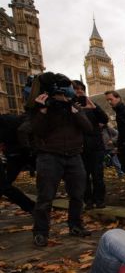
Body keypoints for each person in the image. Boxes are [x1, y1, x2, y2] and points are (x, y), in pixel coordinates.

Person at [28, 73, 93, 246]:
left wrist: (75, 112)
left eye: (63, 94)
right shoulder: (41, 108)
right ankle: (41, 232)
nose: (61, 98)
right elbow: (36, 131)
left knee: (78, 195)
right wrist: (42, 111)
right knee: (45, 197)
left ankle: (76, 225)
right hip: (49, 156)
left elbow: (88, 128)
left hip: (74, 155)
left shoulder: (74, 107)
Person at [73, 80, 109, 209]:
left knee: (98, 175)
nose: (80, 91)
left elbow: (105, 119)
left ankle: (99, 200)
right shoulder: (70, 107)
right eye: (76, 89)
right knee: (84, 177)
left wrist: (94, 108)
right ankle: (88, 200)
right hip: (80, 147)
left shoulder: (93, 105)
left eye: (82, 88)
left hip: (96, 147)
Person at [0, 113, 35, 213]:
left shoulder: (9, 122)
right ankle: (33, 208)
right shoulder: (11, 119)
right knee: (5, 185)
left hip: (19, 153)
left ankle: (34, 208)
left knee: (5, 185)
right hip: (19, 153)